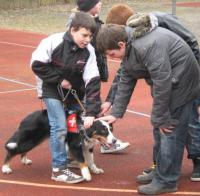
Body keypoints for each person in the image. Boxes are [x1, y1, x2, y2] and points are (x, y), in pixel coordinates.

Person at [96, 23, 200, 194]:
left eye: (112, 54)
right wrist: (116, 113)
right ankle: (161, 172)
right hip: (171, 81)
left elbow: (162, 82)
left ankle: (167, 181)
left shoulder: (147, 45)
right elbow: (126, 79)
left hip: (182, 84)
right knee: (160, 127)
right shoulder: (130, 47)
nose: (112, 58)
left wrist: (161, 118)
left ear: (121, 44)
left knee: (169, 132)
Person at [31, 12, 101, 184]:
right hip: (51, 90)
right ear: (73, 30)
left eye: (91, 36)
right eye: (84, 35)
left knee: (74, 127)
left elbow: (93, 80)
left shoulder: (89, 52)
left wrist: (92, 112)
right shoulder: (52, 42)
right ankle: (59, 169)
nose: (87, 40)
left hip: (74, 94)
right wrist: (59, 80)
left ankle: (74, 158)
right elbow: (36, 65)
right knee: (59, 126)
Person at [66, 0, 130, 154]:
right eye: (97, 2)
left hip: (92, 72)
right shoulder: (79, 23)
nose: (100, 4)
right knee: (87, 111)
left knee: (94, 108)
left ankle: (104, 143)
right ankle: (81, 149)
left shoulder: (95, 22)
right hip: (83, 76)